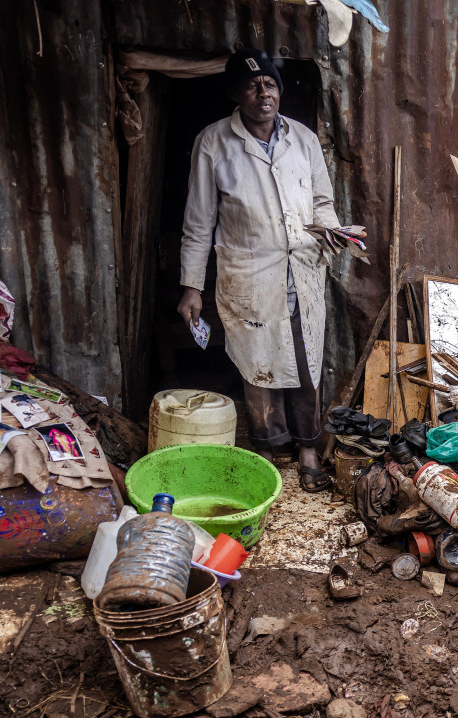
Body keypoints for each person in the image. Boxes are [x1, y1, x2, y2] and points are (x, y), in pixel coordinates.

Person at [178, 49, 341, 492]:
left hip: (302, 268)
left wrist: (330, 232)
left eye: (269, 83)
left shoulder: (303, 140)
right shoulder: (213, 142)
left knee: (306, 357)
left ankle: (308, 448)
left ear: (279, 91)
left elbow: (322, 203)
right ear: (236, 94)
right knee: (258, 363)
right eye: (252, 86)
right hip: (248, 273)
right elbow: (198, 221)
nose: (263, 92)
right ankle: (268, 447)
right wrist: (192, 286)